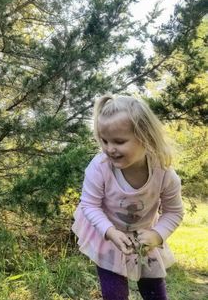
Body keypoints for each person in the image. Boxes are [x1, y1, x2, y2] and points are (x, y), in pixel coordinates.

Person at [72, 94, 184, 300]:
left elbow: (174, 211)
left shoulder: (164, 173)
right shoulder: (99, 168)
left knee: (155, 293)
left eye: (119, 141)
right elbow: (89, 205)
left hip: (146, 240)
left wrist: (157, 235)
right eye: (104, 140)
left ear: (146, 137)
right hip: (109, 237)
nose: (109, 149)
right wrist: (110, 232)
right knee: (114, 294)